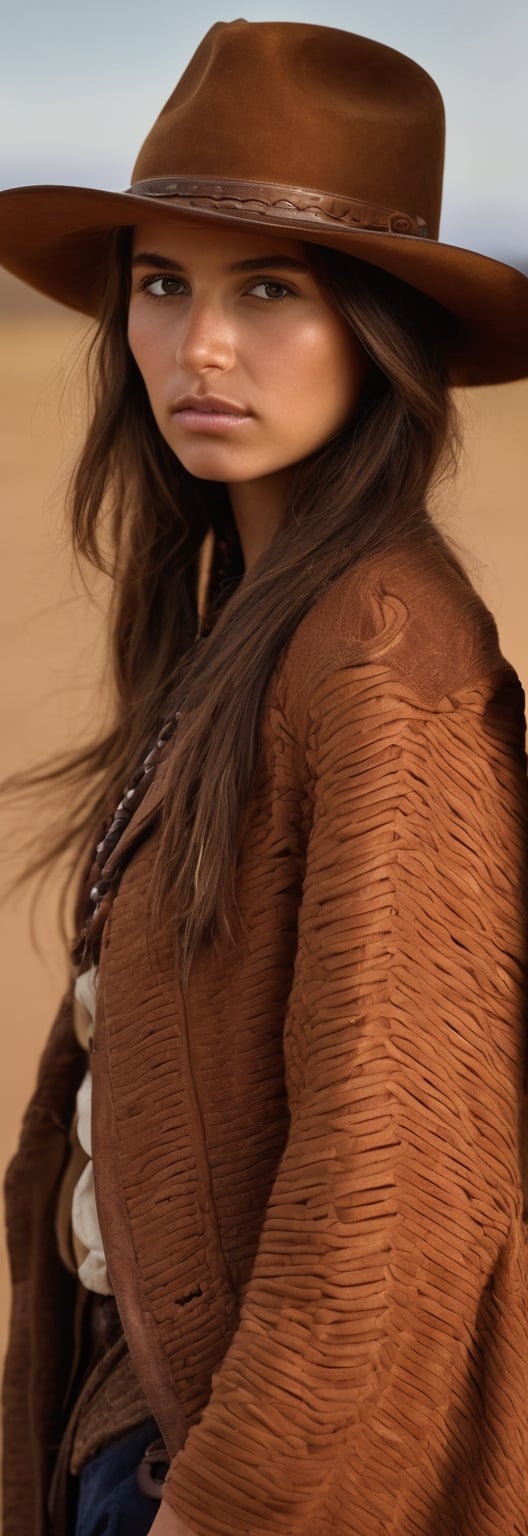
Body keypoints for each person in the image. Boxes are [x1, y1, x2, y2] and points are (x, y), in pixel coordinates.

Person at [1, 18, 528, 1536]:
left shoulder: (380, 654)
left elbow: (402, 1182)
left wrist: (228, 1512)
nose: (200, 347)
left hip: (236, 1475)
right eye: (162, 284)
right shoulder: (251, 619)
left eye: (269, 291)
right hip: (141, 1414)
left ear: (382, 327)